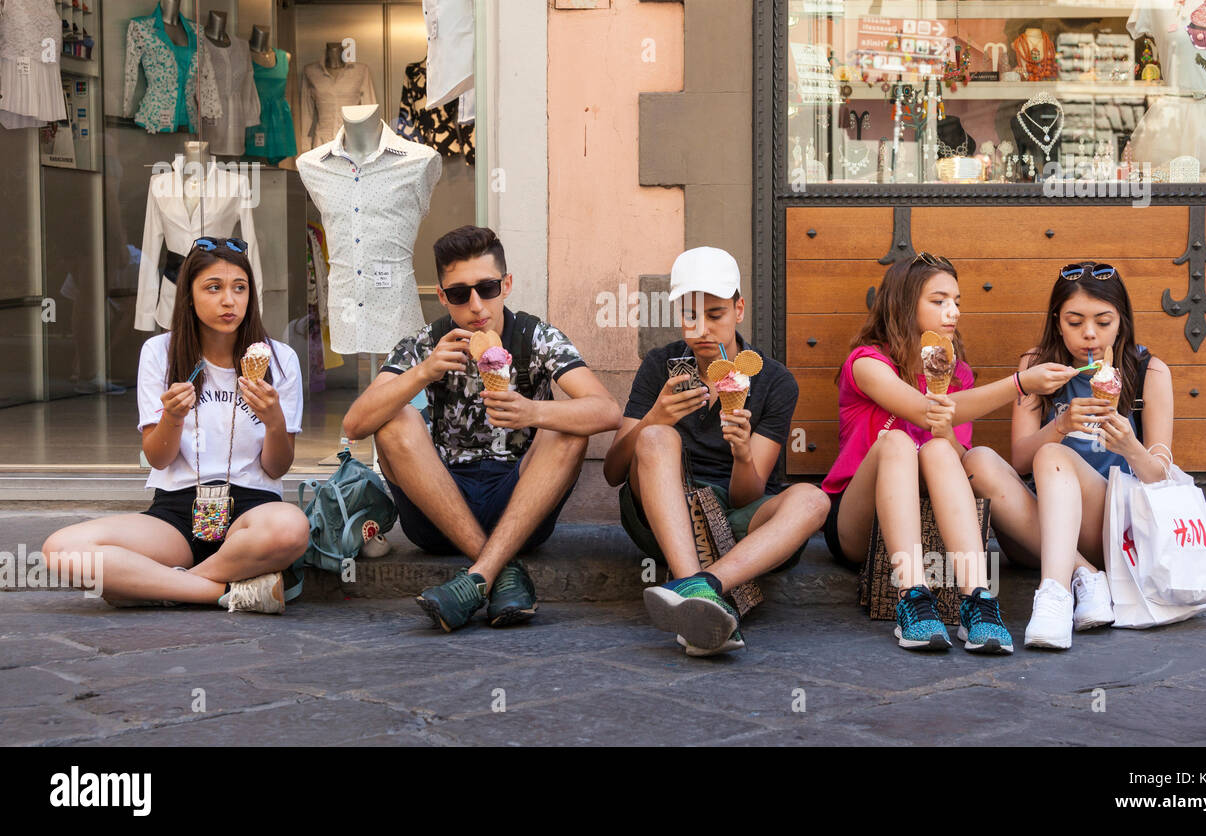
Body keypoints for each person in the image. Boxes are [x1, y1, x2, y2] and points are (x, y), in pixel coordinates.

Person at [343, 226, 621, 631]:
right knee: (395, 420)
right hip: (439, 510)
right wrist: (422, 372)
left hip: (519, 506)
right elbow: (355, 424)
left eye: (487, 288)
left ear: (506, 285)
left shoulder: (536, 338)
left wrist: (532, 412)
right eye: (459, 294)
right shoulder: (427, 344)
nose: (476, 305)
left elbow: (607, 411)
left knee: (567, 424)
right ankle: (500, 571)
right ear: (442, 296)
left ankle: (477, 578)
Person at [822, 253, 1078, 653]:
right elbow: (925, 411)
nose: (953, 311)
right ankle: (912, 597)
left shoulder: (957, 374)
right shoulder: (868, 364)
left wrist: (944, 434)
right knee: (897, 441)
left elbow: (954, 450)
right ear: (904, 304)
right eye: (939, 300)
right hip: (857, 523)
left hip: (926, 523)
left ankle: (978, 599)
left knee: (941, 449)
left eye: (957, 301)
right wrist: (1021, 382)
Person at [42, 237, 307, 613]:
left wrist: (275, 421)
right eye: (213, 288)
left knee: (291, 528)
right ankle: (222, 591)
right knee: (62, 550)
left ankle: (155, 585)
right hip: (177, 513)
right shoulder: (160, 354)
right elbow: (158, 459)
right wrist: (172, 417)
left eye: (239, 288)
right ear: (189, 296)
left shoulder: (279, 359)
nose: (229, 301)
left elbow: (277, 467)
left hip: (253, 511)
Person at [604, 247, 828, 657]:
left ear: (739, 309)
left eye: (716, 314)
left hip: (742, 521)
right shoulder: (661, 366)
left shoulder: (773, 380)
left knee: (813, 499)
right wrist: (656, 416)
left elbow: (746, 496)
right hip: (667, 518)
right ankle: (692, 581)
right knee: (654, 438)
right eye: (690, 315)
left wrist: (742, 452)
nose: (702, 328)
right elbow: (615, 471)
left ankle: (703, 590)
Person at [964, 262, 1173, 649]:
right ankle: (1085, 575)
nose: (1089, 334)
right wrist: (1059, 426)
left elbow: (1161, 477)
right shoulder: (1037, 367)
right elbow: (1020, 461)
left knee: (1051, 458)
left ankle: (1054, 597)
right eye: (1074, 321)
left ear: (1122, 322)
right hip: (1042, 531)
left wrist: (1129, 445)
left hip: (1115, 530)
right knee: (976, 459)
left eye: (1103, 321)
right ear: (1057, 320)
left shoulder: (1148, 371)